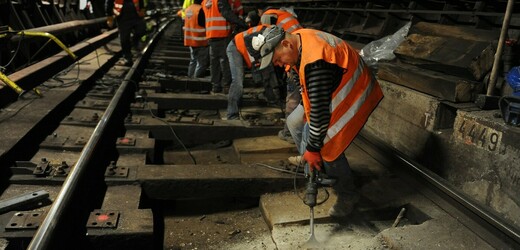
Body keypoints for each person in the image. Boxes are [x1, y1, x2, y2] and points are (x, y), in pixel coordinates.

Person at [251, 26, 384, 217]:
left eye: (278, 59)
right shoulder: (297, 40)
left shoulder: (316, 63)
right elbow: (307, 93)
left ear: (286, 44)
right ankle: (313, 164)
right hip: (330, 86)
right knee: (295, 123)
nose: (279, 64)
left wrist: (313, 148)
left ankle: (347, 194)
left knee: (328, 145)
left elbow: (320, 114)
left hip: (353, 90)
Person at [259, 6, 303, 143]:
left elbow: (270, 40)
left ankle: (288, 133)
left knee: (293, 99)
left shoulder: (267, 15)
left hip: (294, 56)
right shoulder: (286, 16)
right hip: (298, 50)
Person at [201, 0, 248, 94]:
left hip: (211, 35)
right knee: (225, 61)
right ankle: (226, 86)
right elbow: (227, 14)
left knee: (214, 63)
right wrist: (242, 23)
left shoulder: (205, 1)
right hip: (222, 34)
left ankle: (215, 86)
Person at [225, 24, 271, 120]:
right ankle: (232, 114)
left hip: (243, 49)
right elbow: (251, 47)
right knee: (238, 81)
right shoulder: (266, 33)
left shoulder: (271, 33)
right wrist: (256, 64)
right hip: (235, 47)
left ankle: (272, 98)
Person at [106, 0, 146, 66]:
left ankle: (134, 43)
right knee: (124, 39)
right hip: (122, 17)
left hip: (136, 15)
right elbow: (109, 3)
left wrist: (142, 9)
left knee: (141, 30)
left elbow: (140, 1)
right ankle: (127, 58)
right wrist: (109, 16)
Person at [183, 0, 209, 78]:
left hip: (190, 40)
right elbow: (204, 24)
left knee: (193, 60)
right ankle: (195, 81)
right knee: (201, 63)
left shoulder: (188, 9)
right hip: (200, 40)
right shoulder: (200, 10)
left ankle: (190, 78)